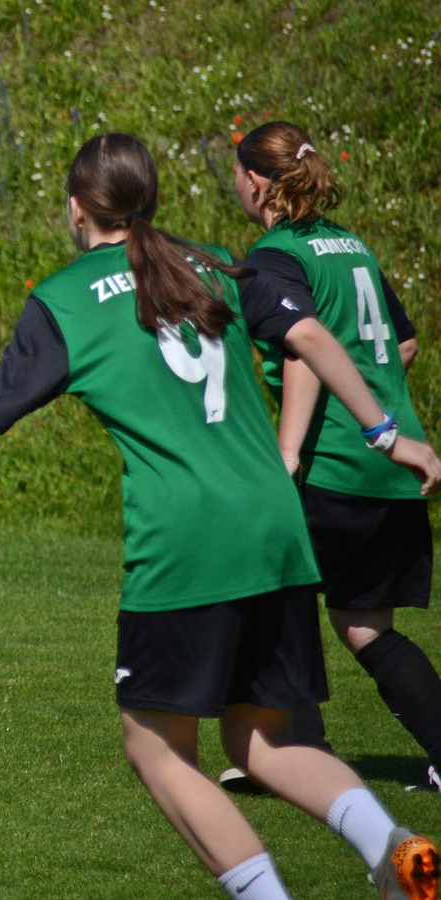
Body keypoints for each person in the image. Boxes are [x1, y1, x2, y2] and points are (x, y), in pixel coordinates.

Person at [0, 134, 440, 899]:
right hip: (275, 526)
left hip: (189, 541)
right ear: (151, 198)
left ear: (77, 208)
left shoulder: (68, 298)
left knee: (157, 749)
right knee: (262, 739)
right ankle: (393, 848)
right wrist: (386, 434)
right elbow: (307, 334)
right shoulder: (212, 263)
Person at [222, 121, 441, 795]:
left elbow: (304, 346)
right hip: (392, 464)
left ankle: (293, 753)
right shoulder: (351, 246)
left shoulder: (275, 256)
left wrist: (289, 452)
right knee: (365, 626)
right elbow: (403, 344)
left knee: (269, 591)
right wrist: (377, 408)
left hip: (339, 461)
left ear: (254, 180)